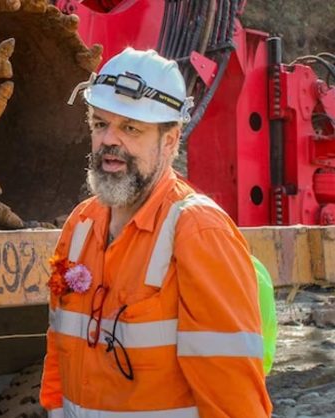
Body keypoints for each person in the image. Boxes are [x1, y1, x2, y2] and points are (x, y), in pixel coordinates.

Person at [40, 47, 272, 417]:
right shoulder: (81, 225)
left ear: (169, 140)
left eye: (131, 128)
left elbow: (233, 398)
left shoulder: (198, 232)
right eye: (101, 124)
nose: (109, 141)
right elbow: (59, 349)